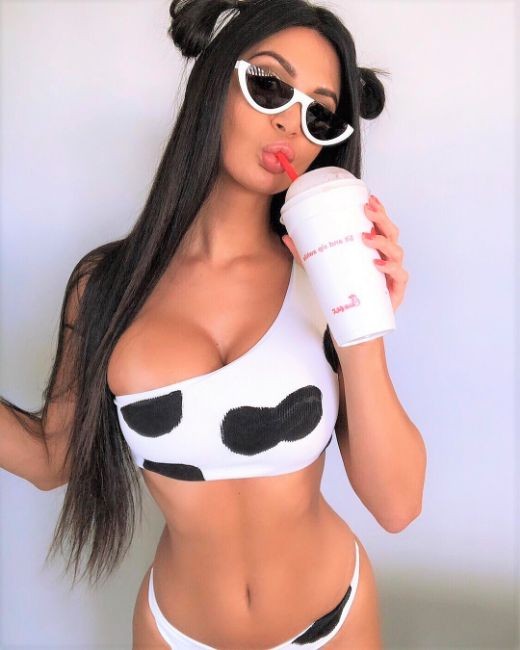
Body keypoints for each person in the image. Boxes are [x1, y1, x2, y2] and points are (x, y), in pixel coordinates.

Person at [0, 0, 427, 647]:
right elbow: (49, 457)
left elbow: (397, 507)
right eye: (270, 86)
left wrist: (362, 320)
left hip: (331, 619)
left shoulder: (324, 278)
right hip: (176, 629)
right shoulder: (107, 286)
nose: (290, 124)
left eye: (318, 113)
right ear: (215, 82)